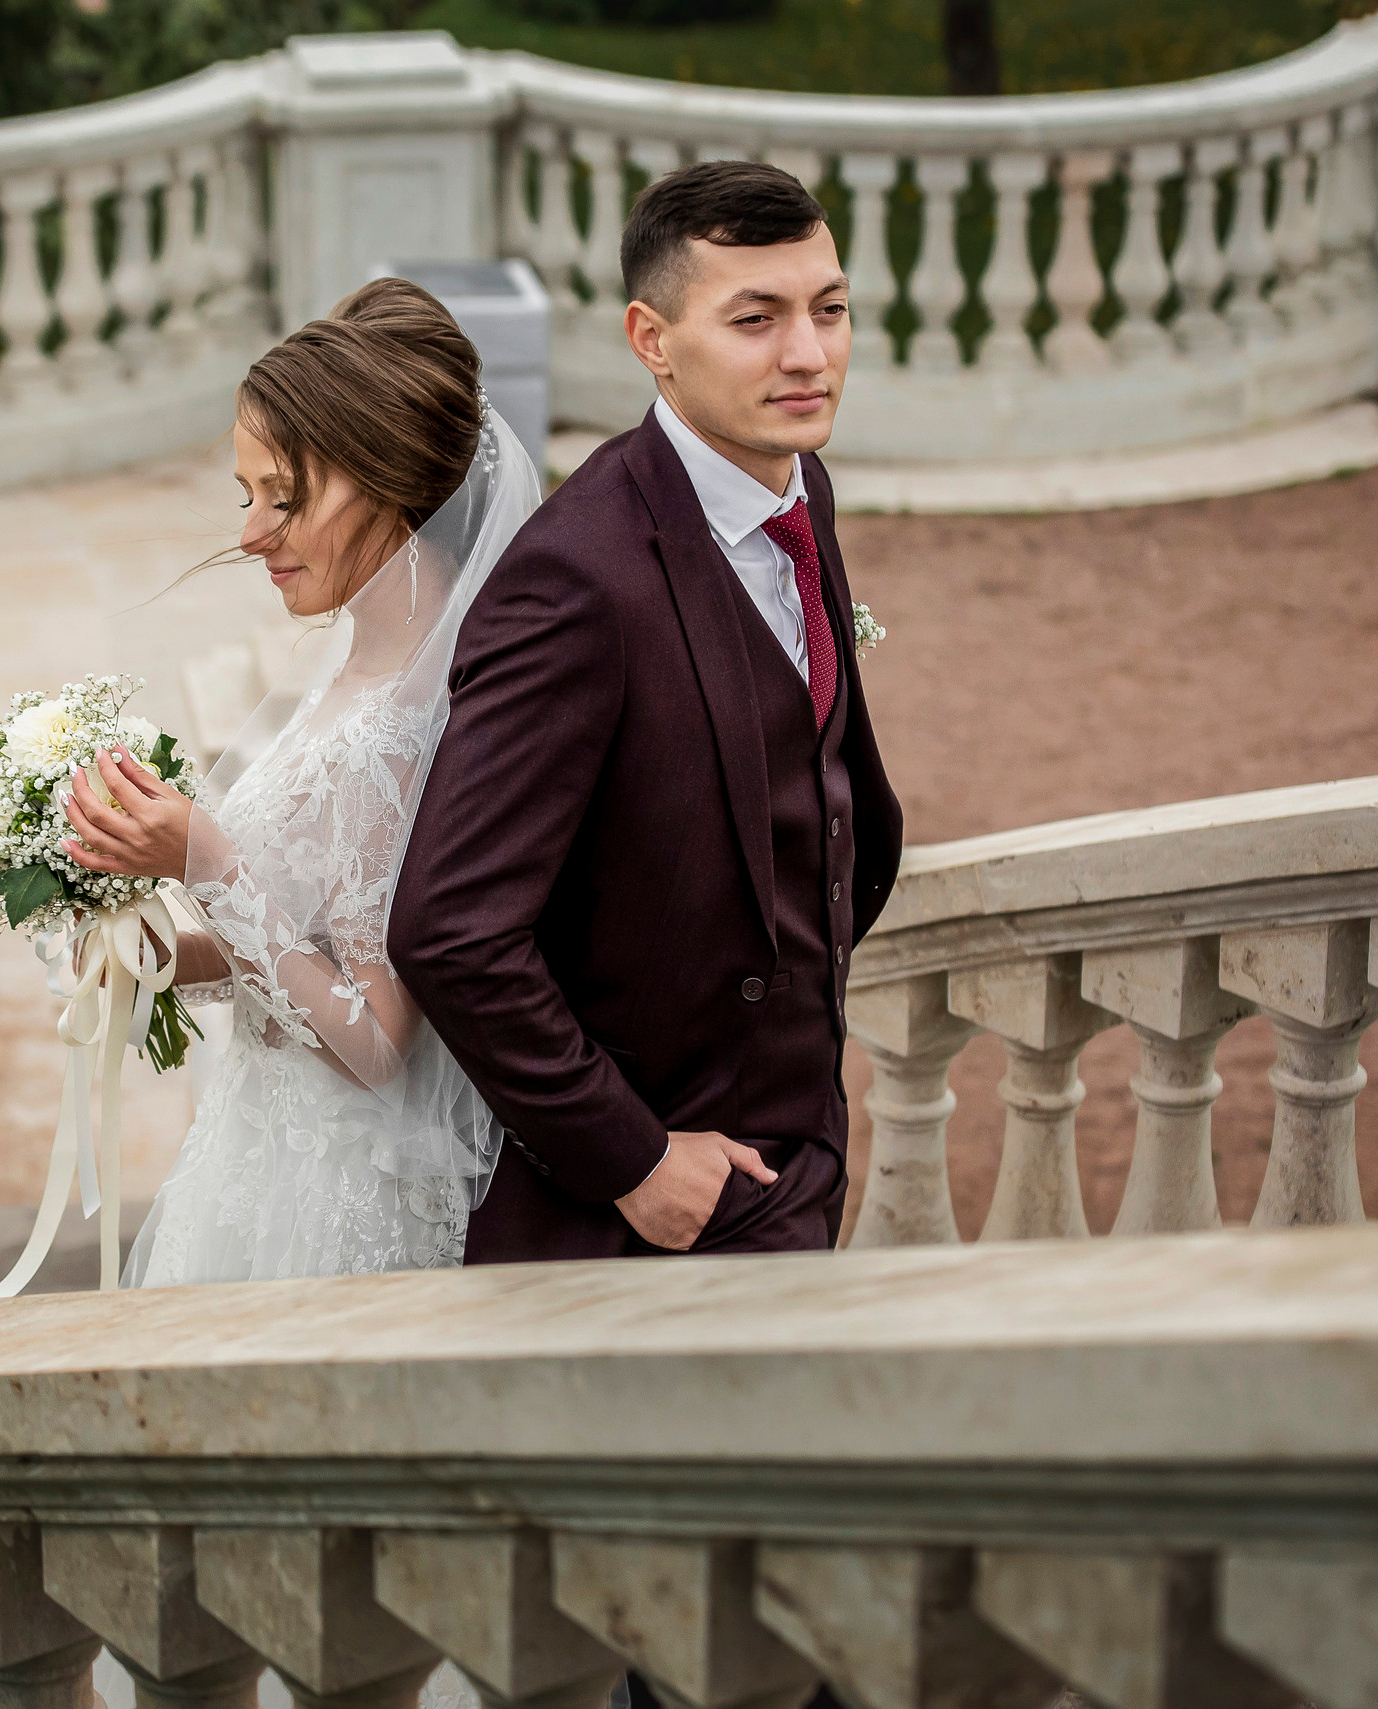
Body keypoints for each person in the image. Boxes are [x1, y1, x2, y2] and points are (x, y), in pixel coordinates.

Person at [389, 159, 905, 1266]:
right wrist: (630, 1157)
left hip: (797, 1140)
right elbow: (450, 925)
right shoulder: (576, 580)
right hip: (653, 1203)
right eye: (755, 319)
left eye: (829, 309)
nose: (808, 354)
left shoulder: (798, 484)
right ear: (651, 337)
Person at [52, 277, 542, 1285]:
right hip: (256, 1151)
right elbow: (307, 941)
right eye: (247, 496)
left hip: (336, 1203)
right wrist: (155, 953)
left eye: (287, 496)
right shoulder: (348, 665)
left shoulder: (415, 720)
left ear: (392, 479)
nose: (249, 533)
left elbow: (374, 1040)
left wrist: (205, 856)